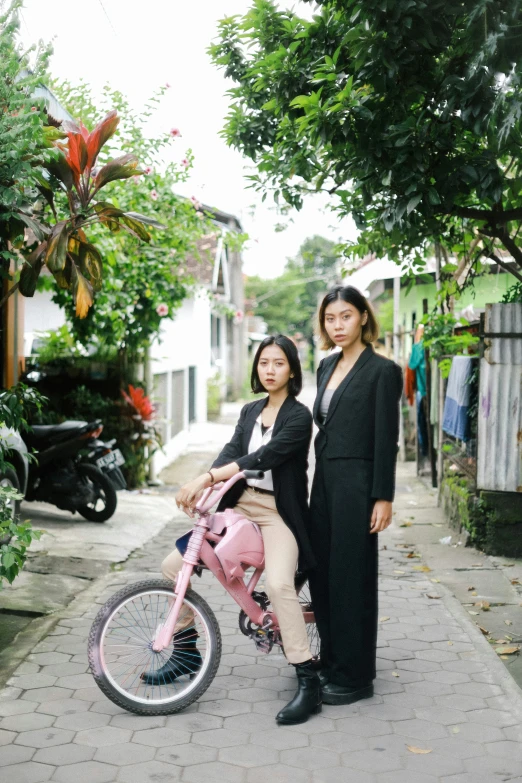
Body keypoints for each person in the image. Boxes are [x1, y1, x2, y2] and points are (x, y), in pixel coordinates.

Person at [146, 335, 320, 725]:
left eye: (278, 363)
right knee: (174, 567)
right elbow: (231, 451)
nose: (270, 370)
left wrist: (208, 476)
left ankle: (308, 680)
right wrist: (205, 485)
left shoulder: (298, 416)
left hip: (278, 513)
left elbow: (260, 457)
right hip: (238, 506)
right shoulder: (249, 411)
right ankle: (187, 652)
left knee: (278, 586)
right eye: (263, 363)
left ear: (291, 369)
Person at [309, 286, 402, 706]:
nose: (338, 325)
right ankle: (330, 661)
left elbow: (387, 438)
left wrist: (382, 496)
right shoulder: (325, 366)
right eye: (331, 318)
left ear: (364, 317)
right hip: (324, 483)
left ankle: (356, 675)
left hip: (358, 485)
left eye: (346, 316)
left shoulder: (383, 371)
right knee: (323, 574)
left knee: (352, 576)